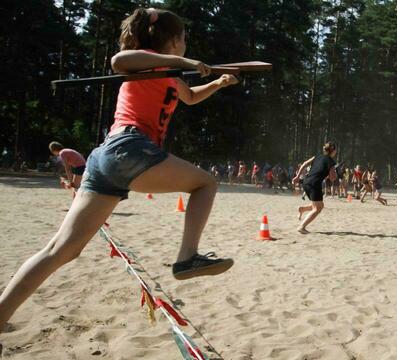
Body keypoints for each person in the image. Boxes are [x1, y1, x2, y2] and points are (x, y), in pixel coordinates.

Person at [0, 8, 238, 332]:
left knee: (62, 250)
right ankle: (187, 258)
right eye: (183, 39)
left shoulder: (168, 71)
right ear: (171, 40)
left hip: (107, 158)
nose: (185, 45)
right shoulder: (148, 61)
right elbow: (118, 62)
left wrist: (219, 83)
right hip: (129, 147)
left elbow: (191, 97)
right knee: (206, 184)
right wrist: (183, 62)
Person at [293, 142, 338, 234]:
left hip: (306, 182)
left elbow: (305, 164)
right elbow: (333, 178)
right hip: (314, 184)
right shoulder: (331, 161)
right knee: (317, 209)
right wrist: (335, 173)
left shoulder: (317, 156)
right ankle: (301, 227)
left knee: (319, 205)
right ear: (333, 151)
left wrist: (297, 176)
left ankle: (302, 209)